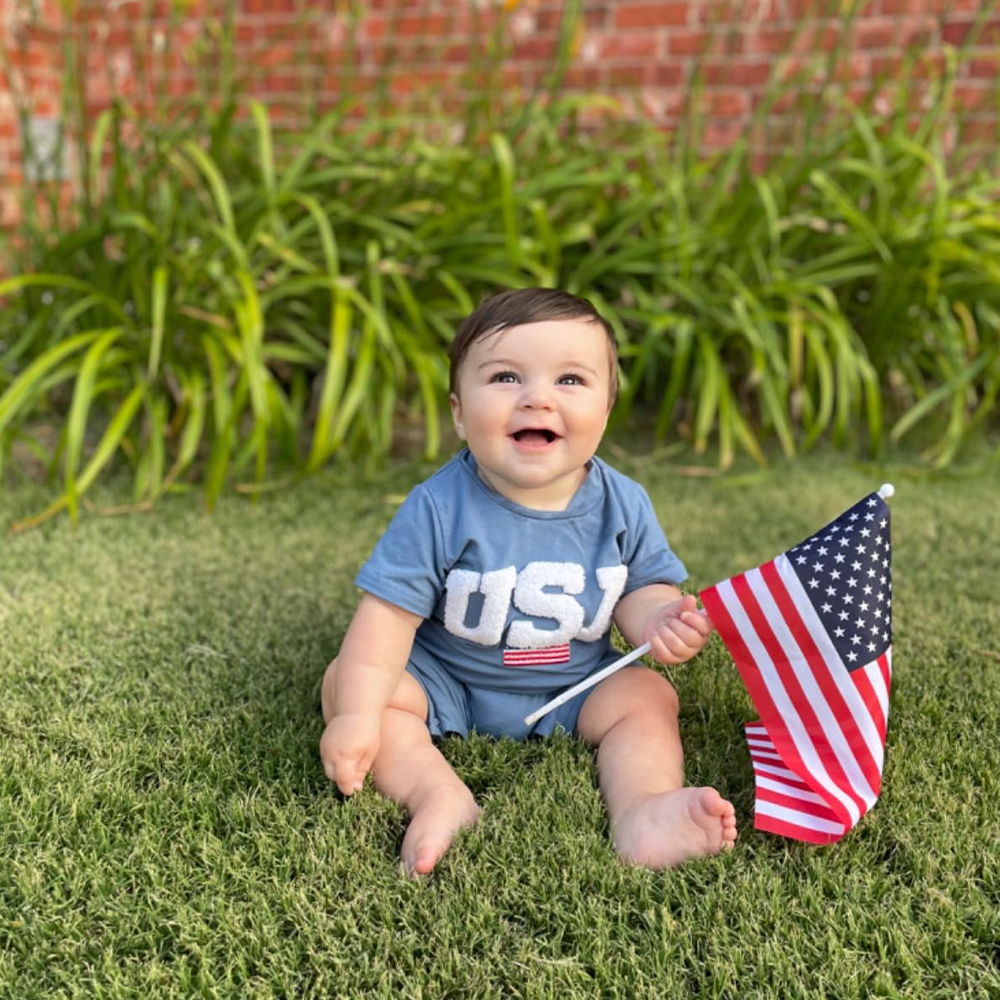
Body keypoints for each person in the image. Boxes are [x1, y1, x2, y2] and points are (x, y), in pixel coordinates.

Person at [319, 287, 737, 875]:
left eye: (570, 380)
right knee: (350, 684)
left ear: (606, 411)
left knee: (647, 697)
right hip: (448, 681)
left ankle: (643, 808)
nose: (537, 399)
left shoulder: (623, 503)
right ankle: (438, 795)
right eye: (506, 377)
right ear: (460, 412)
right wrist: (358, 716)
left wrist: (660, 620)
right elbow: (387, 618)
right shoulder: (438, 507)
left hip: (577, 682)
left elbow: (641, 588)